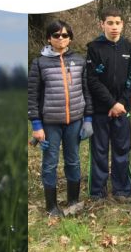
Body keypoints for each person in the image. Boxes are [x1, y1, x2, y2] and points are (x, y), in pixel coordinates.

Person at [29, 19, 92, 217]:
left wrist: (88, 119)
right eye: (56, 35)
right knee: (50, 162)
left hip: (74, 121)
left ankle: (73, 200)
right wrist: (36, 125)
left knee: (73, 161)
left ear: (70, 39)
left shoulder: (80, 60)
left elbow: (86, 91)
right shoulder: (39, 63)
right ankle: (51, 206)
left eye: (65, 35)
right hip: (50, 124)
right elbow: (32, 96)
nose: (61, 38)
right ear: (49, 38)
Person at [84, 7, 131, 201]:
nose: (114, 27)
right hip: (101, 110)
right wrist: (111, 103)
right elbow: (92, 80)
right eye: (110, 23)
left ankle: (122, 190)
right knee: (99, 151)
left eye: (117, 23)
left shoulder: (129, 48)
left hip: (122, 111)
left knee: (122, 150)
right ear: (102, 24)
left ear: (122, 24)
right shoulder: (94, 48)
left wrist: (122, 103)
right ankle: (97, 192)